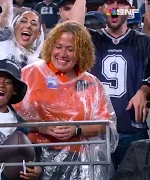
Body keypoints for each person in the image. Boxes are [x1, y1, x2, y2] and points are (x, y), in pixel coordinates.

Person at [14, 21, 118, 179]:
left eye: (70, 49)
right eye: (58, 46)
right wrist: (42, 128)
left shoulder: (92, 83)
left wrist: (76, 129)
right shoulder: (30, 73)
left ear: (81, 53)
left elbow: (105, 124)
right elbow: (14, 115)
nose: (62, 54)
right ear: (50, 46)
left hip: (78, 160)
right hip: (33, 152)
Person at [70, 0, 150, 170]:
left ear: (129, 11)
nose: (115, 8)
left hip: (132, 129)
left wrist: (144, 90)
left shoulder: (145, 42)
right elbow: (72, 28)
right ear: (104, 9)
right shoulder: (92, 39)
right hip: (96, 132)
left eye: (120, 4)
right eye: (110, 3)